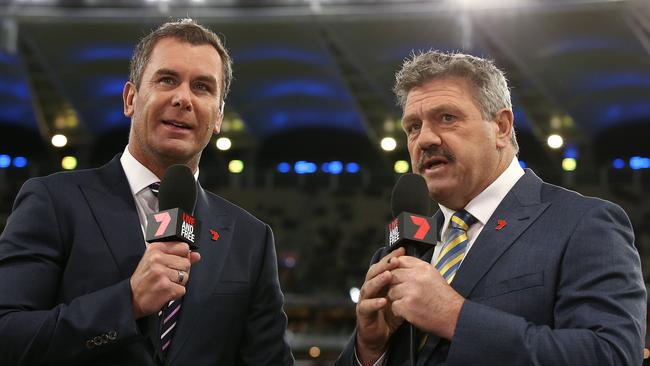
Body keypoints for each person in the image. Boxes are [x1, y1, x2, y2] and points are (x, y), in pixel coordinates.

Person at [0, 19, 294, 366]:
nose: (183, 98)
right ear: (130, 98)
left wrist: (366, 352)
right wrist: (127, 302)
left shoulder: (251, 239)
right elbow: (7, 335)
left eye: (202, 87)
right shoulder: (53, 202)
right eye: (167, 79)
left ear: (218, 117)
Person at [336, 50, 646, 365]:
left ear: (501, 126)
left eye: (447, 117)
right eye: (413, 126)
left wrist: (455, 317)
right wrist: (369, 350)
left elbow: (612, 356)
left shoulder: (583, 224)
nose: (424, 139)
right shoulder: (403, 250)